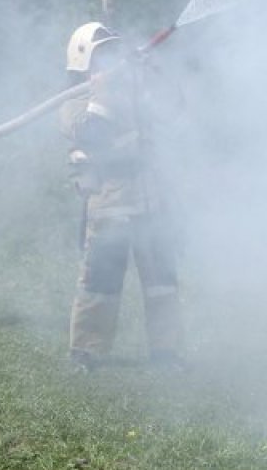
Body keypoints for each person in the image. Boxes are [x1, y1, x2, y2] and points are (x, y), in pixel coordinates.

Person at [59, 22, 184, 372]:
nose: (108, 64)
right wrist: (103, 94)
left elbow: (173, 111)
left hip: (150, 199)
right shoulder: (76, 102)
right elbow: (91, 133)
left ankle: (166, 353)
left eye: (111, 56)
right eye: (100, 58)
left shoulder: (134, 93)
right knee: (100, 281)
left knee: (162, 282)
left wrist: (154, 75)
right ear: (83, 61)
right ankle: (86, 353)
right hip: (109, 200)